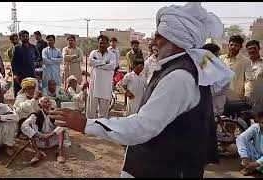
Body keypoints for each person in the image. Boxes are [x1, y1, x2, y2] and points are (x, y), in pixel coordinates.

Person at [49, 2, 235, 177]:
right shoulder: (183, 68)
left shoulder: (180, 77)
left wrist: (85, 124)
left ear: (175, 40)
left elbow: (141, 127)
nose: (154, 42)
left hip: (165, 168)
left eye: (159, 36)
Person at [21, 97, 66, 164]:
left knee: (61, 127)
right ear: (40, 106)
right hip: (40, 141)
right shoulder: (36, 115)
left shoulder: (54, 113)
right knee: (30, 126)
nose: (47, 104)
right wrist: (40, 135)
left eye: (48, 102)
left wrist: (50, 134)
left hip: (52, 140)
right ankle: (38, 153)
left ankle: (60, 152)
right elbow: (24, 126)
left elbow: (62, 124)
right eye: (45, 102)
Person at [86, 35, 116, 119]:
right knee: (91, 110)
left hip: (106, 86)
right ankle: (89, 127)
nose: (102, 45)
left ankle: (101, 128)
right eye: (100, 43)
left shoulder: (112, 54)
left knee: (103, 112)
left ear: (107, 44)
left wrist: (98, 65)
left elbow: (112, 66)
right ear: (98, 43)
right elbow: (91, 62)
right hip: (94, 85)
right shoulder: (93, 53)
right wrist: (105, 63)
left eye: (104, 43)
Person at [220, 35, 253, 102]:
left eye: (236, 45)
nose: (233, 47)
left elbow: (248, 80)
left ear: (240, 47)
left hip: (236, 98)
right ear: (228, 45)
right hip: (220, 97)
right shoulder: (221, 58)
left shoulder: (245, 61)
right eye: (231, 45)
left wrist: (247, 94)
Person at [236, 105, 263, 176]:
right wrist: (244, 157)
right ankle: (251, 166)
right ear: (259, 121)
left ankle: (253, 167)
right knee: (243, 139)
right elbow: (240, 139)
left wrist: (257, 163)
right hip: (256, 155)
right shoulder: (255, 127)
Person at [12, 30, 38, 97]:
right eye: (23, 36)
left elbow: (38, 57)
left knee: (31, 91)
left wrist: (35, 63)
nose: (25, 38)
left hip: (31, 73)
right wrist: (15, 74)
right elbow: (13, 62)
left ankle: (31, 105)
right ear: (20, 38)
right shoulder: (17, 48)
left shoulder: (33, 47)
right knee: (20, 92)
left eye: (26, 36)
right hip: (20, 75)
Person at [246, 40, 263, 106]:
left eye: (254, 48)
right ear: (247, 51)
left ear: (259, 49)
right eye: (250, 49)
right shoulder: (244, 63)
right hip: (245, 99)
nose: (252, 50)